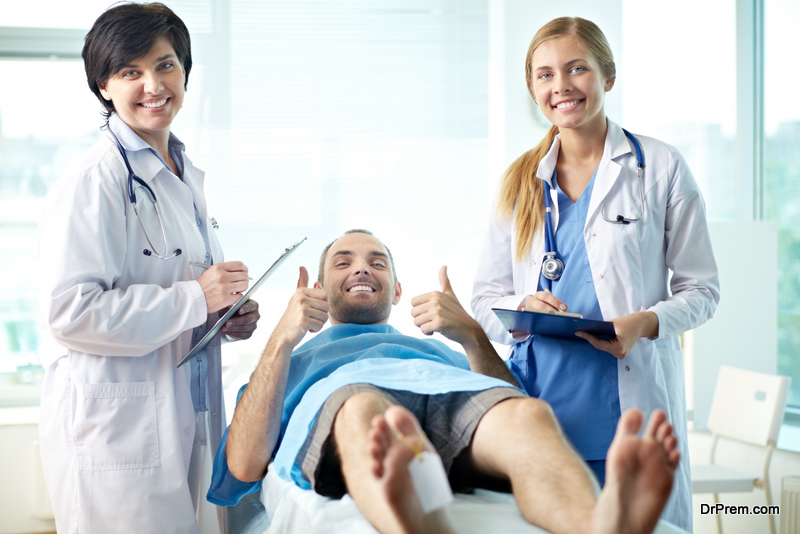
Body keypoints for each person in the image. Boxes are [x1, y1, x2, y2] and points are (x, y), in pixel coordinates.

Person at [208, 229, 680, 534]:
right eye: (343, 261)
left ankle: (596, 524)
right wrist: (282, 337)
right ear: (316, 291)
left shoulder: (438, 352)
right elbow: (247, 464)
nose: (361, 267)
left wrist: (471, 333)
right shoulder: (292, 358)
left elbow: (508, 397)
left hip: (450, 392)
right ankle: (417, 519)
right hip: (350, 398)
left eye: (376, 261)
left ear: (395, 291)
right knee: (367, 416)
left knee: (529, 415)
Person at [470, 16, 720, 531]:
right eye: (544, 75)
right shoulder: (519, 181)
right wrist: (521, 308)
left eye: (575, 68)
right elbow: (485, 298)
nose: (559, 85)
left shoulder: (661, 167)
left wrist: (643, 323)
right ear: (532, 89)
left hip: (628, 404)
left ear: (607, 76)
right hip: (543, 407)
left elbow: (703, 290)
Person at [36, 3, 260, 533]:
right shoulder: (94, 179)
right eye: (129, 72)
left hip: (185, 416)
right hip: (119, 434)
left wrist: (220, 320)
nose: (153, 85)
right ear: (103, 87)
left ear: (184, 72)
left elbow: (173, 295)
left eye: (165, 65)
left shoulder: (181, 174)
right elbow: (70, 313)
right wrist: (195, 300)